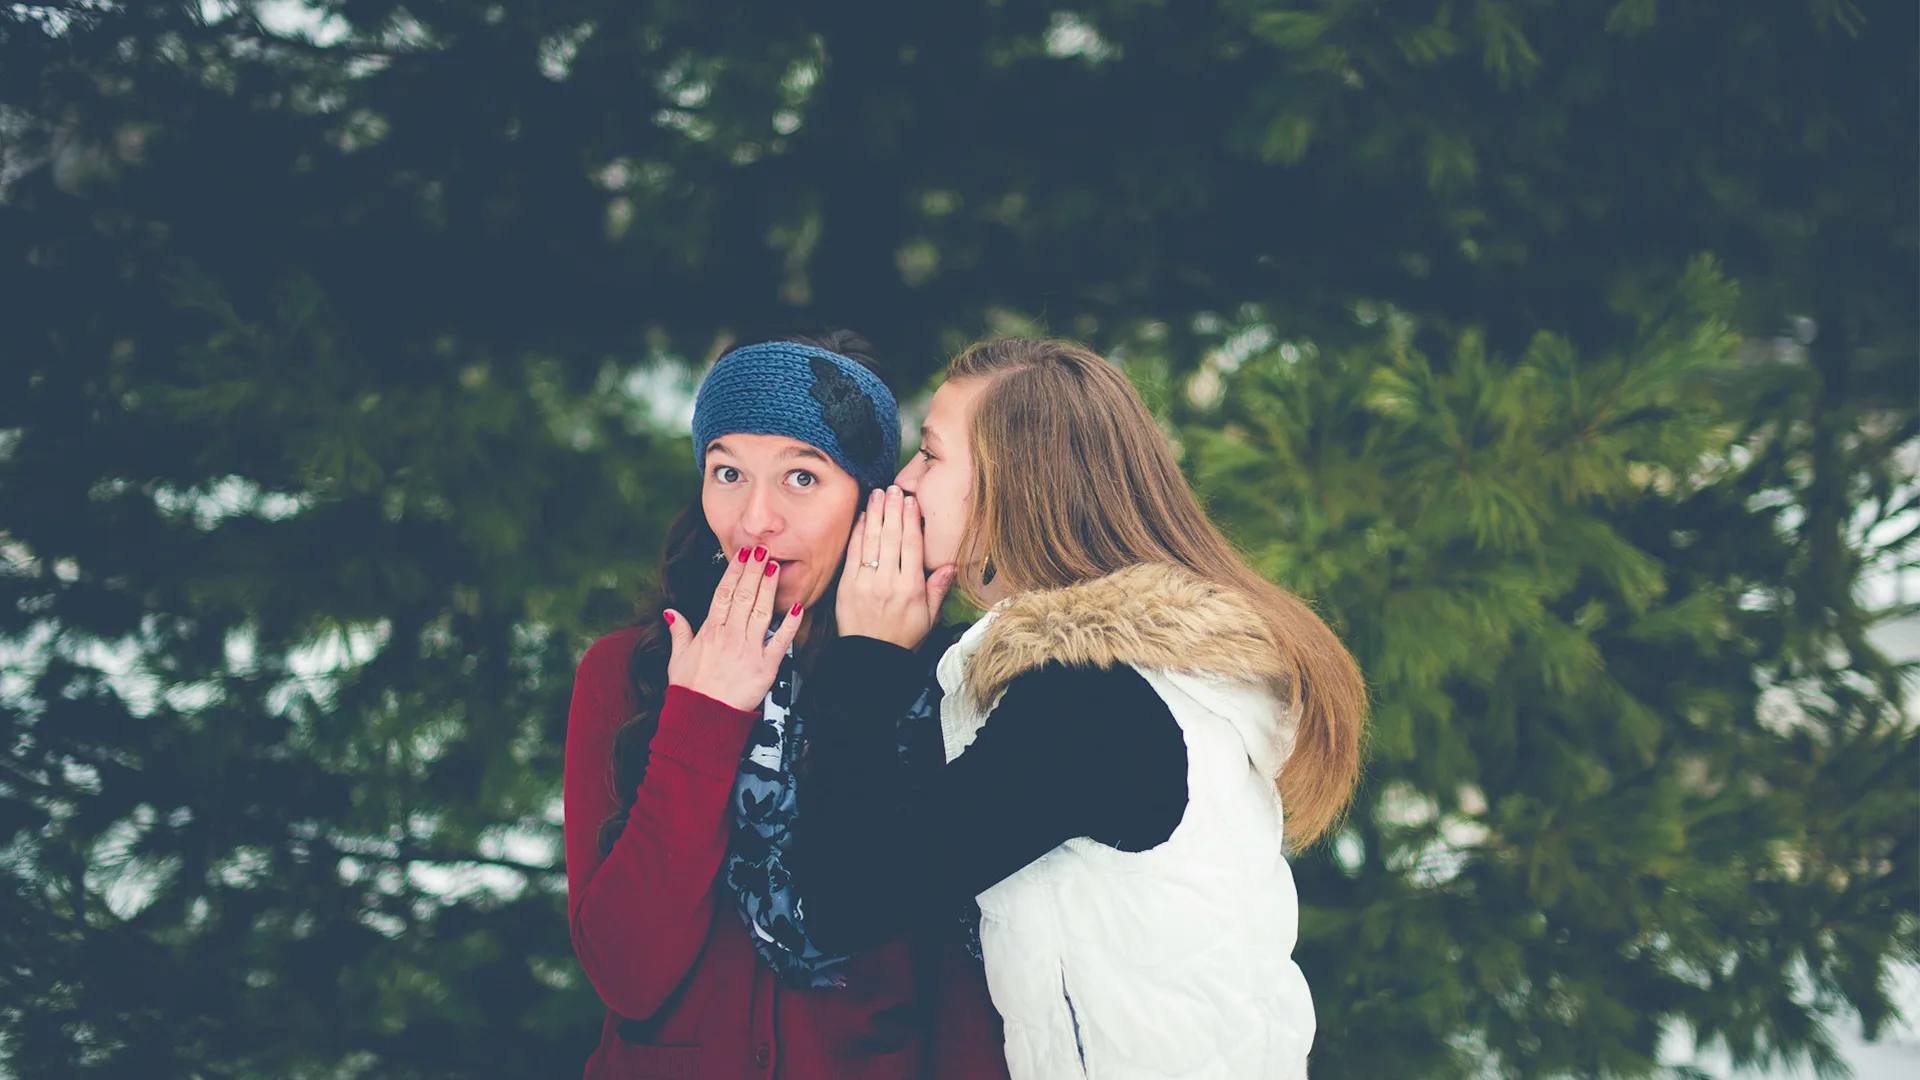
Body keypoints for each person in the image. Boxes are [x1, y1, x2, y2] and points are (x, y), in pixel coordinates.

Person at [785, 337, 1369, 1080]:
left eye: (931, 457)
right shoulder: (1145, 680)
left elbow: (843, 900)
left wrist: (864, 657)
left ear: (1012, 488)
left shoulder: (1088, 705)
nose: (901, 484)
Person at [563, 332, 1007, 1080]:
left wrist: (878, 670)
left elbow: (965, 986)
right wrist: (702, 719)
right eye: (727, 471)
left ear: (870, 500)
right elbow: (626, 974)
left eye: (802, 478)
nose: (755, 519)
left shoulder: (945, 677)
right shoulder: (627, 672)